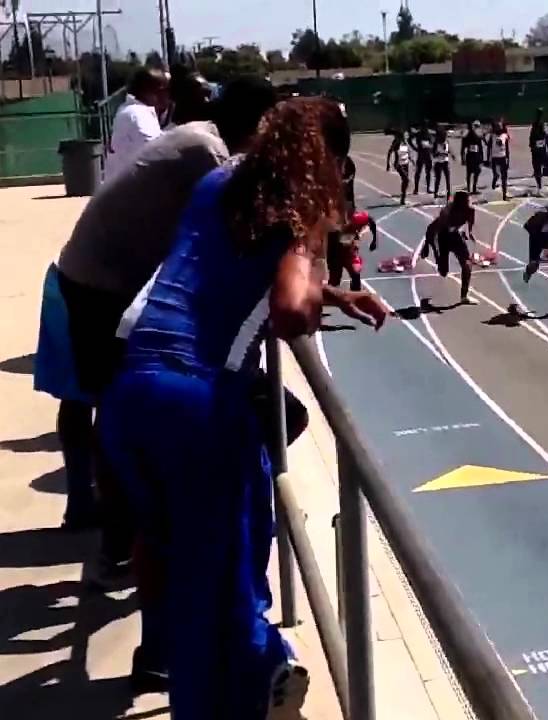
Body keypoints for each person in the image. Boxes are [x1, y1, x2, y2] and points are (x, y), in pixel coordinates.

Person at [99, 97, 386, 720]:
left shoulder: (218, 183)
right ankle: (260, 674)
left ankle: (236, 678)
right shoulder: (296, 209)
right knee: (226, 591)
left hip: (129, 394)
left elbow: (224, 273)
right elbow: (289, 312)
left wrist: (334, 293)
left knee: (177, 572)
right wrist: (312, 251)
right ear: (328, 159)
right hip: (197, 404)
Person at [38, 77, 279, 689]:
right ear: (257, 122)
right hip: (103, 285)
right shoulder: (210, 155)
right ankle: (123, 542)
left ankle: (122, 541)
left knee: (115, 417)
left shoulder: (196, 139)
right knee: (138, 434)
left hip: (98, 278)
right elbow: (233, 239)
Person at [105, 68, 169, 180]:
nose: (168, 95)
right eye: (164, 90)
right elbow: (156, 154)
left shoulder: (134, 111)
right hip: (130, 189)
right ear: (149, 91)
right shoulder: (138, 115)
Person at [423, 191, 477, 304]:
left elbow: (470, 221)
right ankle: (439, 260)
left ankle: (464, 296)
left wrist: (470, 232)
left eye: (469, 200)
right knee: (443, 271)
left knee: (467, 265)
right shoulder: (447, 212)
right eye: (467, 201)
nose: (470, 202)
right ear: (459, 203)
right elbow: (432, 228)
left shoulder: (470, 210)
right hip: (443, 237)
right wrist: (427, 246)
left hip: (456, 237)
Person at [328, 210, 378, 291]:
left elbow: (371, 220)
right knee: (334, 281)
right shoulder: (333, 227)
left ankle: (356, 291)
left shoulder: (356, 218)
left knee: (356, 274)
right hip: (336, 253)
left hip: (350, 252)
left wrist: (374, 240)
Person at [529, 108, 548, 195]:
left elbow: (547, 138)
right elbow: (532, 144)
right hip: (538, 154)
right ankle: (541, 187)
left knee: (546, 170)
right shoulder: (535, 133)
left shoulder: (540, 134)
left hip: (541, 154)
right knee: (539, 171)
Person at [385, 129, 411, 205]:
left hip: (406, 163)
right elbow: (389, 152)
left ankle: (403, 197)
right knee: (406, 180)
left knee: (405, 181)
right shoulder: (396, 142)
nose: (406, 136)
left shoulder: (405, 142)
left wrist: (411, 159)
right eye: (405, 135)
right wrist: (388, 164)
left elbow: (408, 151)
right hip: (399, 164)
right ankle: (403, 198)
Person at [488, 118, 511, 200]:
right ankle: (495, 179)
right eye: (497, 127)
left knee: (504, 177)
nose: (498, 129)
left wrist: (508, 159)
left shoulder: (505, 135)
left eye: (499, 127)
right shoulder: (492, 136)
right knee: (496, 174)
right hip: (494, 157)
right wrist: (488, 159)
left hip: (502, 157)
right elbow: (489, 148)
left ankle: (504, 195)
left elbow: (507, 148)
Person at [461, 121, 486, 194]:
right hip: (474, 156)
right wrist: (481, 158)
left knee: (470, 173)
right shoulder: (474, 137)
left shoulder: (467, 138)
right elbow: (480, 148)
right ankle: (472, 188)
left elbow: (462, 150)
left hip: (471, 156)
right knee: (474, 172)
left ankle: (470, 188)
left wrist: (463, 159)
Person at [430, 127, 454, 199]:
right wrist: (439, 154)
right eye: (443, 136)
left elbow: (448, 150)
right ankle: (435, 194)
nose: (444, 137)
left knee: (447, 178)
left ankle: (449, 194)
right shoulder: (436, 143)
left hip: (445, 162)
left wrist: (452, 155)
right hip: (438, 162)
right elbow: (433, 153)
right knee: (438, 179)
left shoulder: (446, 142)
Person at [410, 122, 433, 196]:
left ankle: (427, 188)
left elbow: (431, 143)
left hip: (427, 155)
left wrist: (431, 148)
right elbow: (409, 139)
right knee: (418, 172)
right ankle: (416, 189)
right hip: (421, 155)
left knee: (427, 172)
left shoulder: (428, 134)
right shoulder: (419, 134)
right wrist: (415, 148)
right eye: (424, 126)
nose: (425, 128)